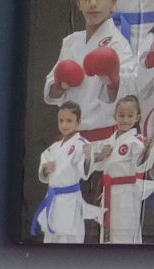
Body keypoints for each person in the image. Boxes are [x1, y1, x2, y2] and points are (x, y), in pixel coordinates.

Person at [45, 0, 136, 142]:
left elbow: (127, 98)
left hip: (102, 139)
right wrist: (60, 84)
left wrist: (112, 81)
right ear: (79, 4)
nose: (93, 4)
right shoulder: (71, 41)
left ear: (113, 3)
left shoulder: (118, 44)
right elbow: (51, 95)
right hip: (69, 137)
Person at [91, 95, 150, 241]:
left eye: (130, 116)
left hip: (126, 194)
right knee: (107, 233)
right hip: (109, 193)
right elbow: (96, 163)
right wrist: (101, 156)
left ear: (137, 118)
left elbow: (142, 165)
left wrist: (147, 150)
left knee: (124, 232)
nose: (125, 119)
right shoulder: (109, 141)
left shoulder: (136, 142)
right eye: (121, 115)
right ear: (115, 116)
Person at [35, 102, 93, 242]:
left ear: (78, 122)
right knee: (51, 237)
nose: (64, 125)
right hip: (53, 198)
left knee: (68, 238)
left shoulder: (81, 144)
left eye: (69, 121)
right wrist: (45, 169)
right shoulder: (54, 147)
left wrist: (88, 157)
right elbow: (44, 165)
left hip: (70, 200)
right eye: (61, 120)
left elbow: (84, 173)